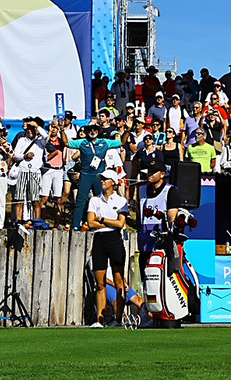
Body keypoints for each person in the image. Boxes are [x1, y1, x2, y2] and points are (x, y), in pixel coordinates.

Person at [86, 170, 130, 327]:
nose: (102, 181)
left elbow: (121, 224)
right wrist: (108, 222)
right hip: (99, 239)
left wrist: (103, 219)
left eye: (105, 179)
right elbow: (91, 223)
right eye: (102, 179)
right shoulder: (94, 200)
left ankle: (118, 320)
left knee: (119, 281)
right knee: (100, 283)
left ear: (113, 182)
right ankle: (100, 320)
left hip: (114, 239)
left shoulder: (121, 200)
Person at [67, 122, 123, 230]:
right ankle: (75, 226)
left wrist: (126, 131)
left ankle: (103, 223)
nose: (93, 131)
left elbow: (121, 142)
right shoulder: (82, 142)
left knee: (101, 200)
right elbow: (66, 143)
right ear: (87, 131)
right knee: (80, 201)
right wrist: (61, 130)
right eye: (90, 129)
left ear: (98, 131)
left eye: (95, 129)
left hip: (99, 176)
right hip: (85, 175)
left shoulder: (104, 142)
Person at [137, 160, 182, 273]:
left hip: (161, 240)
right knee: (145, 275)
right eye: (149, 171)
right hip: (144, 240)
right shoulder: (142, 190)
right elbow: (139, 215)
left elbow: (172, 219)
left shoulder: (171, 191)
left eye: (153, 172)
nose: (149, 174)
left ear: (162, 174)